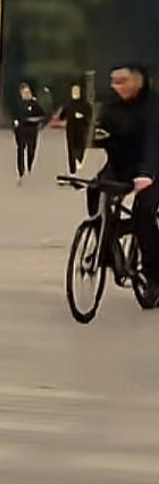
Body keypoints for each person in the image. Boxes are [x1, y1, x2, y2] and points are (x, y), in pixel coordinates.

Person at [92, 64, 159, 305]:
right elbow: (99, 136)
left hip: (153, 168)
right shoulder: (112, 108)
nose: (116, 87)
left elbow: (153, 142)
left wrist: (147, 173)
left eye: (123, 81)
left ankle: (154, 275)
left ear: (138, 82)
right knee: (94, 190)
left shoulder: (153, 108)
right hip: (123, 166)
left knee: (144, 211)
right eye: (114, 81)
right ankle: (107, 246)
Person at [53, 82, 92, 175]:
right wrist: (60, 117)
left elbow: (89, 115)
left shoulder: (85, 104)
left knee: (80, 145)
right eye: (74, 91)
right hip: (70, 128)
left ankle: (79, 159)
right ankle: (72, 170)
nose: (75, 93)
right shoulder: (68, 104)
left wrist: (82, 116)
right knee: (70, 148)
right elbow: (62, 116)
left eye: (77, 91)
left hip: (81, 128)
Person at [11, 82, 46, 182]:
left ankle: (29, 165)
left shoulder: (34, 104)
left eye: (28, 92)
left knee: (31, 149)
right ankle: (21, 171)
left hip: (32, 129)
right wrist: (15, 122)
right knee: (20, 149)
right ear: (21, 94)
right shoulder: (17, 104)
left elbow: (42, 114)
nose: (27, 94)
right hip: (21, 129)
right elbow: (14, 115)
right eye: (24, 93)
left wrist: (39, 122)